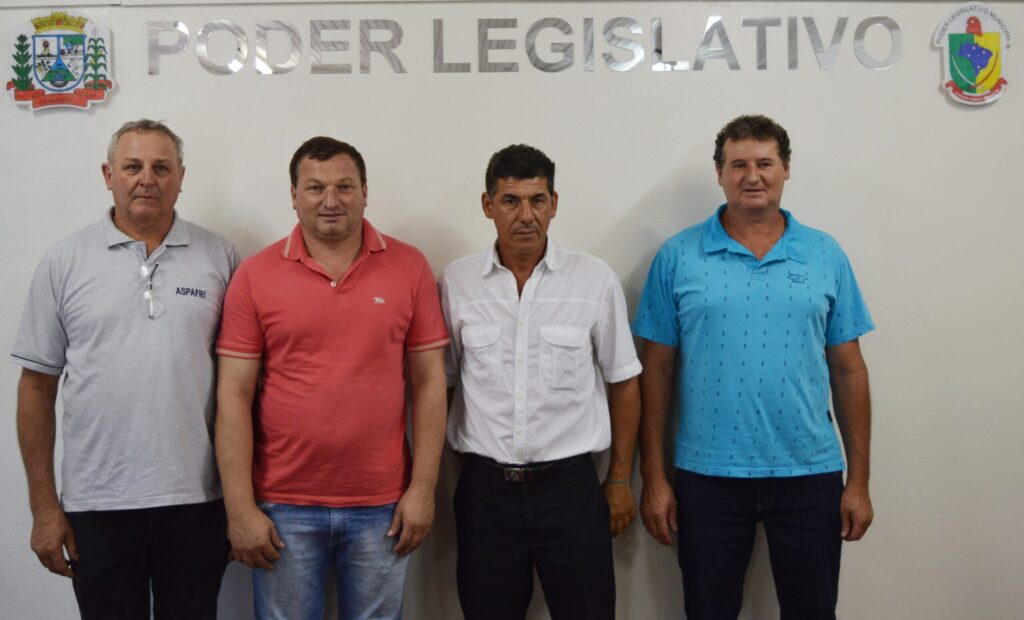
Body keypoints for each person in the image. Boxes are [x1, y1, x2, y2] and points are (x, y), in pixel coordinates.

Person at [633, 114, 875, 619]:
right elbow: (654, 373)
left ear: (786, 169)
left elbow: (849, 370)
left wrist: (858, 481)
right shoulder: (678, 256)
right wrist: (653, 478)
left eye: (765, 163)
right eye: (738, 165)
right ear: (719, 173)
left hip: (810, 473)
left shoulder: (825, 254)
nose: (752, 176)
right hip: (707, 476)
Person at [215, 136, 449, 620]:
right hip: (282, 505)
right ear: (294, 195)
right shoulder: (255, 275)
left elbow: (430, 383)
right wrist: (240, 508)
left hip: (383, 506)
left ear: (364, 192)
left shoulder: (409, 267)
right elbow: (233, 395)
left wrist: (423, 489)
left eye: (344, 186)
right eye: (315, 187)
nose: (330, 200)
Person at [11, 119, 237, 619]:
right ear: (108, 174)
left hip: (197, 501)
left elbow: (241, 390)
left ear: (181, 177)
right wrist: (44, 508)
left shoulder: (219, 257)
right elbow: (37, 389)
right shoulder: (65, 261)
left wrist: (241, 502)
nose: (146, 179)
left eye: (162, 167)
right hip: (97, 505)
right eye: (133, 166)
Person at [440, 144, 642, 620]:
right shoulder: (457, 283)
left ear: (554, 204)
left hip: (570, 489)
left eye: (538, 200)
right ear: (488, 205)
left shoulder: (594, 281)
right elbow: (442, 385)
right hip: (485, 492)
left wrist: (618, 478)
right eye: (511, 201)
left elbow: (624, 383)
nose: (526, 215)